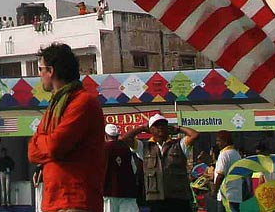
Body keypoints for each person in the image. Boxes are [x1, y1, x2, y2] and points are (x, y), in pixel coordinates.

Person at [28, 43, 105, 212]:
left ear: (51, 71)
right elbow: (31, 152)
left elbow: (55, 146)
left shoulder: (83, 102)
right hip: (54, 199)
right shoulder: (55, 105)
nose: (39, 74)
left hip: (76, 199)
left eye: (40, 69)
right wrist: (46, 144)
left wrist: (43, 143)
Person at [123, 113, 199, 212]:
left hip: (179, 197)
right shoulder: (144, 147)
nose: (160, 127)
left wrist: (179, 129)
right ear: (150, 129)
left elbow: (195, 135)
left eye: (163, 125)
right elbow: (124, 139)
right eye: (156, 125)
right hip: (155, 198)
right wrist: (142, 128)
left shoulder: (179, 144)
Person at [103, 124, 140, 212]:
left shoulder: (102, 149)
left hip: (108, 192)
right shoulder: (126, 148)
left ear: (105, 136)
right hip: (127, 192)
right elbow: (134, 169)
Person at [213, 131, 243, 212]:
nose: (217, 143)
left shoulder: (224, 154)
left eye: (218, 141)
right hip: (236, 195)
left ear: (225, 141)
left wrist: (214, 191)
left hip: (225, 195)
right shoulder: (236, 154)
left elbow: (220, 175)